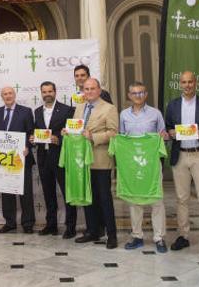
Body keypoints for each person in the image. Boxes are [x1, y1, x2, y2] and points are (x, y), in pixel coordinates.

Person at [165, 71, 199, 255]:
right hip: (180, 156)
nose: (187, 85)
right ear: (179, 84)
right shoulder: (172, 105)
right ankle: (183, 235)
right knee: (181, 199)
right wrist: (170, 133)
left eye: (190, 82)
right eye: (184, 82)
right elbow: (168, 128)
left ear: (196, 83)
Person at [68, 78, 119, 249]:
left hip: (100, 159)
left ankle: (111, 234)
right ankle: (92, 231)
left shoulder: (109, 108)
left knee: (104, 198)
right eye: (85, 89)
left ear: (99, 90)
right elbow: (77, 129)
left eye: (92, 88)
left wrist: (94, 137)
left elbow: (114, 133)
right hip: (82, 160)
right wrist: (68, 132)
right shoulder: (80, 107)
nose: (88, 91)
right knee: (88, 198)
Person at [119, 81, 170, 253]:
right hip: (132, 165)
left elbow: (164, 136)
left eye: (141, 93)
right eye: (134, 93)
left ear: (146, 94)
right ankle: (137, 236)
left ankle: (159, 237)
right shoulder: (124, 115)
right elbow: (121, 138)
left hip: (152, 165)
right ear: (129, 96)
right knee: (135, 201)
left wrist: (163, 136)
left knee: (157, 200)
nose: (138, 96)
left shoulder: (156, 114)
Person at [31, 81, 76, 238]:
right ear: (41, 93)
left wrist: (60, 140)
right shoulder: (36, 111)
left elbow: (73, 134)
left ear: (55, 92)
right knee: (48, 193)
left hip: (61, 157)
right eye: (44, 92)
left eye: (50, 91)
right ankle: (51, 225)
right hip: (43, 158)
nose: (47, 94)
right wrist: (33, 138)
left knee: (67, 193)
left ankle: (70, 227)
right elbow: (36, 132)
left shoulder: (67, 110)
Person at [0, 87, 35, 233]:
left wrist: (28, 146)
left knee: (25, 192)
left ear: (14, 95)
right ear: (1, 97)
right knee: (6, 191)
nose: (8, 96)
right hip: (2, 160)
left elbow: (31, 133)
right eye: (5, 94)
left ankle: (27, 223)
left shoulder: (26, 111)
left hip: (21, 157)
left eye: (10, 93)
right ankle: (10, 222)